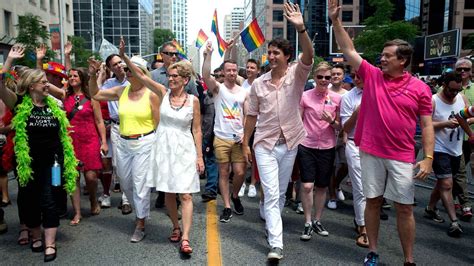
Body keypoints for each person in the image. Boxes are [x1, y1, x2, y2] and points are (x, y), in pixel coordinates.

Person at [329, 1, 434, 265]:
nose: (382, 59)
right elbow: (348, 49)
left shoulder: (420, 89)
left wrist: (428, 157)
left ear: (403, 60)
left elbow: (428, 124)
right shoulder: (373, 76)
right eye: (382, 55)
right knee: (372, 201)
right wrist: (336, 21)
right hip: (370, 151)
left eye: (388, 56)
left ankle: (409, 259)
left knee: (404, 207)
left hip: (401, 155)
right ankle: (373, 251)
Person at [242, 2, 314, 261]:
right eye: (269, 52)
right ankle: (276, 243)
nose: (271, 56)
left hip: (291, 142)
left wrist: (301, 28)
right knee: (273, 193)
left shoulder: (297, 75)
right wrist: (244, 143)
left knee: (279, 193)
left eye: (276, 53)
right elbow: (251, 115)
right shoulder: (259, 84)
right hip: (264, 144)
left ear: (286, 56)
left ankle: (267, 212)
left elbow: (309, 55)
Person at [0, 68, 78, 262]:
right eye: (43, 82)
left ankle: (50, 243)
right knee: (29, 200)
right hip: (28, 163)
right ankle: (36, 235)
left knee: (51, 198)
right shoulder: (19, 104)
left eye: (46, 82)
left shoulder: (54, 105)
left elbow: (63, 135)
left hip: (54, 164)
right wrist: (8, 61)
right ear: (31, 85)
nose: (47, 85)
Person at [88, 47, 160, 243]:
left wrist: (153, 143)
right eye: (125, 70)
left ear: (141, 73)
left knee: (140, 184)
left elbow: (157, 123)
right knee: (126, 183)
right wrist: (93, 75)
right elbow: (94, 94)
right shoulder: (121, 91)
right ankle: (141, 211)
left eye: (130, 70)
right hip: (122, 142)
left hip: (145, 142)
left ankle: (140, 223)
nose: (125, 72)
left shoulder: (151, 94)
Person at [146, 60, 204, 255]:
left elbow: (196, 129)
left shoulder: (193, 101)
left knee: (186, 194)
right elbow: (142, 77)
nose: (170, 79)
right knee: (169, 192)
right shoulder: (163, 94)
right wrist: (124, 58)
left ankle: (185, 238)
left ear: (185, 79)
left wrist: (199, 156)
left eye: (175, 76)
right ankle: (175, 226)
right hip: (164, 148)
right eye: (169, 76)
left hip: (185, 149)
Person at [202, 43, 248, 223]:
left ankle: (235, 195)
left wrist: (245, 133)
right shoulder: (218, 89)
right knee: (223, 172)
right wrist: (208, 55)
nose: (231, 73)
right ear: (223, 72)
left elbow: (247, 114)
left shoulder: (243, 92)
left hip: (238, 139)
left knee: (239, 172)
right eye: (228, 70)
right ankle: (227, 206)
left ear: (237, 71)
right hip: (221, 137)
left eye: (234, 70)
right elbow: (206, 75)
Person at [151, 41, 198, 209]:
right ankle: (165, 195)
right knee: (166, 176)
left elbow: (194, 104)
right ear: (161, 54)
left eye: (175, 54)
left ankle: (179, 202)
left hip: (182, 133)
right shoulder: (154, 76)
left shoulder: (188, 80)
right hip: (161, 131)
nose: (172, 56)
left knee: (183, 185)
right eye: (169, 53)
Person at [298, 62, 341, 241]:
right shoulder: (305, 96)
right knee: (307, 185)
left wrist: (332, 121)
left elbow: (341, 127)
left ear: (331, 79)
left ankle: (317, 220)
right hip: (306, 145)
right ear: (314, 78)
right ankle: (307, 222)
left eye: (327, 78)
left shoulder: (337, 99)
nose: (324, 80)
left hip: (327, 146)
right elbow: (298, 121)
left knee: (322, 186)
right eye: (320, 77)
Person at [64, 67, 108, 225]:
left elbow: (99, 121)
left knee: (91, 176)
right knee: (72, 177)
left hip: (89, 139)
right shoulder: (65, 96)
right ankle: (77, 212)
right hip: (70, 140)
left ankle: (93, 199)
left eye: (75, 75)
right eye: (69, 76)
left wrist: (103, 141)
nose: (71, 78)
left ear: (82, 78)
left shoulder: (92, 97)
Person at [425, 72, 466, 237]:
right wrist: (445, 124)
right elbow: (425, 123)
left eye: (457, 90)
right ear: (444, 85)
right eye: (451, 90)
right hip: (439, 148)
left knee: (443, 182)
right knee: (447, 183)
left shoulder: (461, 98)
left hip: (457, 148)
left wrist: (466, 121)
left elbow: (467, 115)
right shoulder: (433, 100)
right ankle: (454, 222)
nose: (454, 93)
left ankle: (430, 207)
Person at [100, 54, 132, 214]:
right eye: (115, 64)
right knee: (118, 164)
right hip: (116, 127)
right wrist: (97, 74)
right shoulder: (108, 84)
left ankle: (130, 198)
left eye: (120, 62)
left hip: (134, 126)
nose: (119, 66)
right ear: (110, 68)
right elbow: (96, 94)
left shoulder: (133, 80)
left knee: (132, 163)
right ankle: (125, 197)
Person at [340, 72, 368, 247]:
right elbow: (346, 127)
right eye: (354, 76)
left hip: (377, 146)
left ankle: (366, 219)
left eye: (360, 75)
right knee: (360, 188)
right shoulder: (349, 97)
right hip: (354, 145)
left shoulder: (380, 91)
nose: (357, 79)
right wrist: (357, 112)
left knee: (374, 189)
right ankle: (362, 226)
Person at [327, 63, 348, 210]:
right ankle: (332, 195)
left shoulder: (347, 94)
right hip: (327, 135)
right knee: (330, 166)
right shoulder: (325, 91)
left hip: (343, 135)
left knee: (346, 164)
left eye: (338, 74)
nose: (335, 76)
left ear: (343, 76)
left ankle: (336, 185)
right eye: (333, 74)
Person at [239, 59, 260, 198]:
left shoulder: (262, 84)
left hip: (259, 125)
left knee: (255, 156)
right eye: (247, 67)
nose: (249, 69)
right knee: (243, 156)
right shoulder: (242, 84)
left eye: (252, 67)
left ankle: (252, 184)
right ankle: (242, 184)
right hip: (244, 125)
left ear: (258, 70)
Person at [455, 58, 473, 221]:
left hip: (471, 138)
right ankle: (464, 203)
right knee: (458, 172)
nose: (462, 72)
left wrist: (465, 120)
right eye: (459, 69)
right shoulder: (446, 88)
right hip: (455, 139)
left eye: (465, 69)